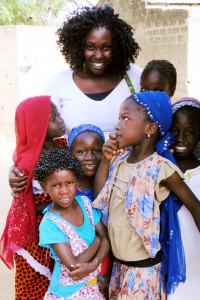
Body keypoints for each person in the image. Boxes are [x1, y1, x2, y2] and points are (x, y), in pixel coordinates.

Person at [9, 4, 142, 193]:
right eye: (90, 47)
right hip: (75, 187)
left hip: (127, 181)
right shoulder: (59, 82)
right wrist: (17, 169)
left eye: (106, 47)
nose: (98, 55)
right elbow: (37, 134)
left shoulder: (135, 77)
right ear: (78, 46)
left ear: (118, 48)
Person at [92, 91, 200, 299]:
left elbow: (195, 206)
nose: (117, 125)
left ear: (150, 129)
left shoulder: (161, 168)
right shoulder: (119, 160)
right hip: (119, 269)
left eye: (125, 118)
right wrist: (105, 160)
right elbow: (99, 198)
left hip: (143, 275)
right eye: (118, 118)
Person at [0, 96, 67, 299]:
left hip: (60, 228)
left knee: (60, 281)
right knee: (35, 285)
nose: (61, 120)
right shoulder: (28, 161)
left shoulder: (62, 145)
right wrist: (58, 204)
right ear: (38, 126)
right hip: (35, 236)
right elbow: (23, 208)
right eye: (54, 118)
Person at [33, 148, 110, 299]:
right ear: (44, 188)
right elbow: (74, 266)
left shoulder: (85, 204)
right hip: (68, 294)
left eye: (69, 183)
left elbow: (107, 238)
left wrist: (94, 264)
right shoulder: (50, 223)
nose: (64, 191)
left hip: (92, 287)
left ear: (77, 182)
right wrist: (98, 240)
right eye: (55, 185)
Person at [68, 124, 112, 299]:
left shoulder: (111, 180)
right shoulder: (65, 187)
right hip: (75, 266)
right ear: (70, 154)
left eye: (96, 150)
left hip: (106, 262)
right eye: (81, 152)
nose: (89, 158)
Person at [168, 98, 200, 300]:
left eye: (189, 132)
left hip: (195, 259)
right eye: (174, 131)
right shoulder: (159, 167)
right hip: (165, 261)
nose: (180, 138)